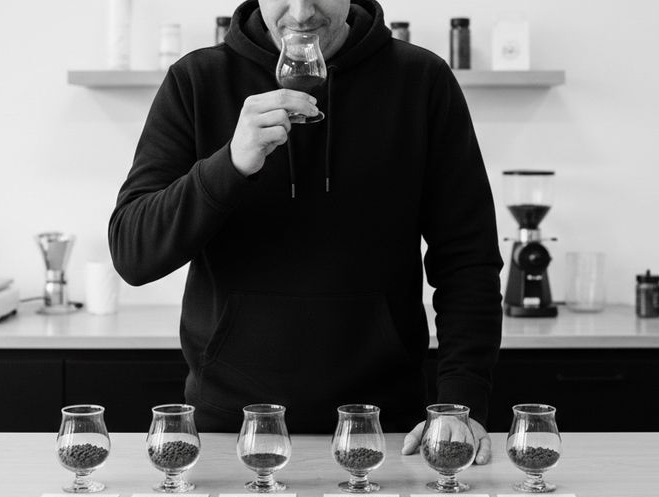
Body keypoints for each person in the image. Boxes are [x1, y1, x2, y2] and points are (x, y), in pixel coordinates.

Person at [109, 0, 502, 463]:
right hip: (229, 429)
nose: (299, 14)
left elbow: (468, 259)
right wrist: (230, 164)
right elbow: (133, 254)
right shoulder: (197, 80)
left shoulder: (421, 80)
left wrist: (459, 402)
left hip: (385, 429)